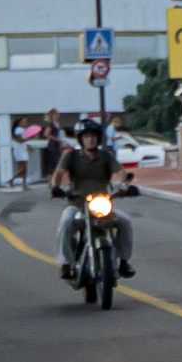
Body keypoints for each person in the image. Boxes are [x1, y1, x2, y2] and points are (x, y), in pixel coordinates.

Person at [52, 119, 136, 281]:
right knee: (66, 221)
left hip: (102, 205)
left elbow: (120, 171)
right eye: (86, 136)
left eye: (93, 136)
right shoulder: (71, 156)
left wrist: (129, 184)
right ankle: (66, 264)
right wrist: (56, 187)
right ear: (80, 139)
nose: (90, 139)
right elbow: (59, 173)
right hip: (77, 204)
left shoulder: (106, 156)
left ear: (98, 138)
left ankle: (124, 262)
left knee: (125, 222)